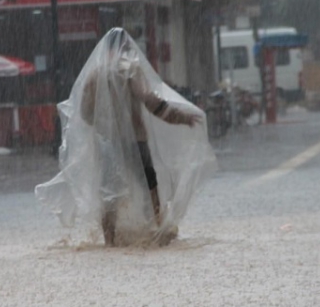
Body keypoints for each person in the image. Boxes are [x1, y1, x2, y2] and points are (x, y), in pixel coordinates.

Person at [35, 28, 217, 247]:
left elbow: (84, 112)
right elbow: (148, 99)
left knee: (110, 193)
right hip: (135, 142)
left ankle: (110, 242)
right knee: (149, 187)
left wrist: (107, 125)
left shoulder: (95, 75)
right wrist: (180, 117)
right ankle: (158, 234)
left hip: (107, 144)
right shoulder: (129, 69)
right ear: (127, 46)